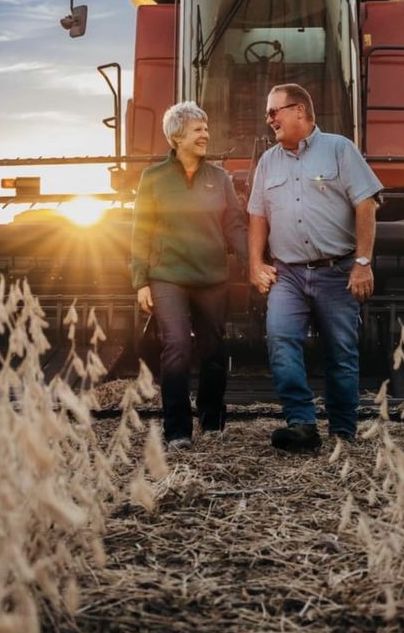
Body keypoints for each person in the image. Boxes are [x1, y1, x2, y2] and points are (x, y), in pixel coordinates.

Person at [247, 84, 382, 451]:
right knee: (280, 338)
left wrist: (362, 263)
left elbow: (366, 205)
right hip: (286, 273)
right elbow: (257, 216)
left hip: (336, 270)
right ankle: (302, 423)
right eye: (268, 113)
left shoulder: (339, 149)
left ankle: (342, 431)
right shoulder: (268, 162)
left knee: (341, 350)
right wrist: (255, 263)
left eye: (276, 111)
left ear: (301, 111)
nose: (269, 118)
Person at [131, 101, 248, 451]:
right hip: (167, 277)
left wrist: (252, 262)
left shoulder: (220, 178)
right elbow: (141, 232)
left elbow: (235, 225)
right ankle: (178, 430)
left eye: (206, 129)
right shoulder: (152, 178)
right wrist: (140, 281)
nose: (206, 134)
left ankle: (212, 421)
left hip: (211, 277)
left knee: (213, 350)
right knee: (177, 347)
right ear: (177, 135)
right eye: (198, 129)